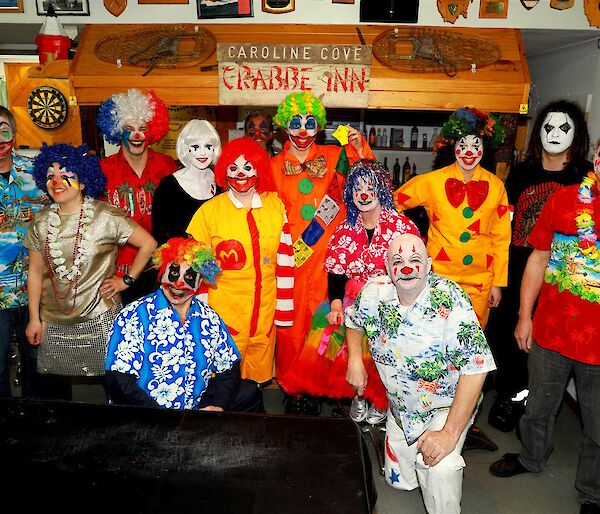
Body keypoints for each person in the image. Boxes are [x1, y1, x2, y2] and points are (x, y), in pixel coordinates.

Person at [345, 233, 495, 514]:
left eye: (415, 260)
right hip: (401, 409)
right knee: (401, 483)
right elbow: (353, 320)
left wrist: (449, 433)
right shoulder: (374, 291)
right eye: (397, 261)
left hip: (445, 407)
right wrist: (355, 358)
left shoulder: (450, 299)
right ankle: (415, 460)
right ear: (388, 269)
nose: (406, 268)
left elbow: (477, 367)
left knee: (439, 467)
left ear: (429, 265)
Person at [489, 141, 600, 514]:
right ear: (595, 160)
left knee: (598, 427)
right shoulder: (565, 199)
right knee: (537, 407)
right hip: (551, 330)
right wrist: (524, 315)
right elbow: (537, 259)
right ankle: (532, 458)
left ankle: (592, 492)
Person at [283, 159, 419, 424]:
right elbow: (336, 272)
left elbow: (416, 268)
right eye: (357, 189)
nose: (364, 194)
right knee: (345, 351)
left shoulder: (402, 226)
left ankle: (381, 399)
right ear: (350, 195)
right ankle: (359, 395)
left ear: (382, 189)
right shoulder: (345, 228)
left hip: (392, 300)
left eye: (370, 187)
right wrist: (335, 304)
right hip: (352, 300)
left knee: (384, 354)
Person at [486, 100, 591, 432]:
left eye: (563, 128)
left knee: (548, 345)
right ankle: (510, 392)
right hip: (520, 267)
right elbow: (504, 226)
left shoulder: (586, 175)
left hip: (566, 278)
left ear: (576, 134)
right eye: (548, 127)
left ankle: (536, 403)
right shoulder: (522, 172)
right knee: (508, 333)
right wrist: (498, 278)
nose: (554, 134)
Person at [24, 144, 156, 400]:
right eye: (51, 176)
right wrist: (33, 318)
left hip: (101, 319)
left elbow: (149, 244)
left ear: (83, 182)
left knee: (117, 384)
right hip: (53, 321)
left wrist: (125, 281)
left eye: (66, 175)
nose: (57, 182)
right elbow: (35, 273)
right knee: (54, 393)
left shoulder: (107, 217)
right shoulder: (41, 222)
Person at [270, 91, 374, 414]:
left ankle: (331, 388)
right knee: (291, 331)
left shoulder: (334, 156)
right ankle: (295, 390)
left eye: (310, 123)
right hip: (292, 263)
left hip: (332, 262)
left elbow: (366, 178)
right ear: (284, 126)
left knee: (330, 329)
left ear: (319, 127)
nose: (303, 130)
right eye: (296, 123)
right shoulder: (271, 167)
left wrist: (359, 147)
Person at [187, 137, 294, 397]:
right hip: (224, 309)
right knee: (222, 377)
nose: (241, 174)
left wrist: (284, 311)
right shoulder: (209, 212)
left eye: (248, 167)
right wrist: (200, 314)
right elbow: (195, 267)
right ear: (224, 171)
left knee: (255, 380)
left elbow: (286, 260)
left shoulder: (275, 206)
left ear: (259, 169)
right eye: (233, 168)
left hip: (265, 310)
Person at [105, 237, 263, 412]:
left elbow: (228, 369)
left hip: (195, 410)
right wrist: (160, 418)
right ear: (162, 273)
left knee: (249, 392)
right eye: (173, 274)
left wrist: (217, 406)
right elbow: (118, 380)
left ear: (200, 281)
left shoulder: (209, 318)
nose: (178, 284)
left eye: (189, 276)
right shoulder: (134, 315)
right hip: (146, 413)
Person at [97, 88, 178, 303]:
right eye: (129, 128)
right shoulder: (102, 171)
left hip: (160, 270)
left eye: (142, 128)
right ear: (116, 130)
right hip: (117, 274)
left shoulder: (168, 167)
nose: (137, 135)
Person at [0, 106, 47, 398]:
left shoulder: (37, 173)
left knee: (42, 367)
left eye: (3, 129)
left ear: (14, 133)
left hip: (38, 290)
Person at [152, 119, 222, 245]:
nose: (202, 152)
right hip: (178, 261)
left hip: (216, 259)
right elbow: (158, 235)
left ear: (214, 149)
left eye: (208, 146)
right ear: (185, 149)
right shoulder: (168, 186)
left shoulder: (220, 182)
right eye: (195, 146)